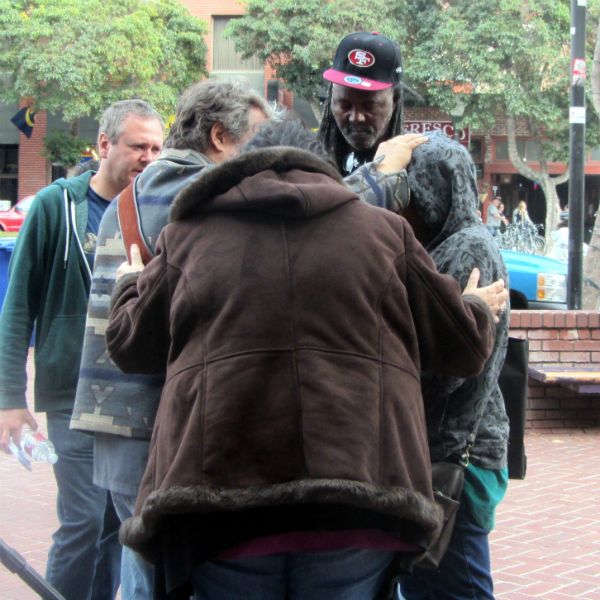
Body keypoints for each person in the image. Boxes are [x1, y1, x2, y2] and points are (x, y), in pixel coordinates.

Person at [105, 119, 507, 599]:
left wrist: (130, 282)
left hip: (220, 511)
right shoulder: (385, 233)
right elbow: (461, 350)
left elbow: (131, 346)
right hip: (358, 506)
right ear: (321, 168)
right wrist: (478, 308)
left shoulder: (187, 237)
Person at [70, 78, 271, 599]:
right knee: (160, 577)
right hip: (163, 421)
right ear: (222, 136)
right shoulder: (203, 194)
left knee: (142, 569)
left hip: (115, 415)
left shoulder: (130, 197)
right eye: (254, 141)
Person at [0, 99, 164, 600]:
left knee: (118, 524)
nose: (149, 158)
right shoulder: (59, 205)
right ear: (104, 145)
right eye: (139, 146)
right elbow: (17, 306)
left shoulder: (152, 209)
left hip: (131, 394)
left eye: (157, 147)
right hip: (70, 392)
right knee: (83, 519)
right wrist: (9, 400)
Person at [394, 132, 510, 600]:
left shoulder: (466, 252)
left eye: (414, 195)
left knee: (458, 585)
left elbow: (452, 361)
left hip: (456, 461)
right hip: (448, 454)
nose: (406, 208)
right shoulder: (447, 245)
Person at [319, 31, 427, 203]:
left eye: (369, 106)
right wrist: (379, 175)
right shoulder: (309, 164)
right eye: (344, 105)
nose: (356, 117)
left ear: (395, 100)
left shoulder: (419, 167)